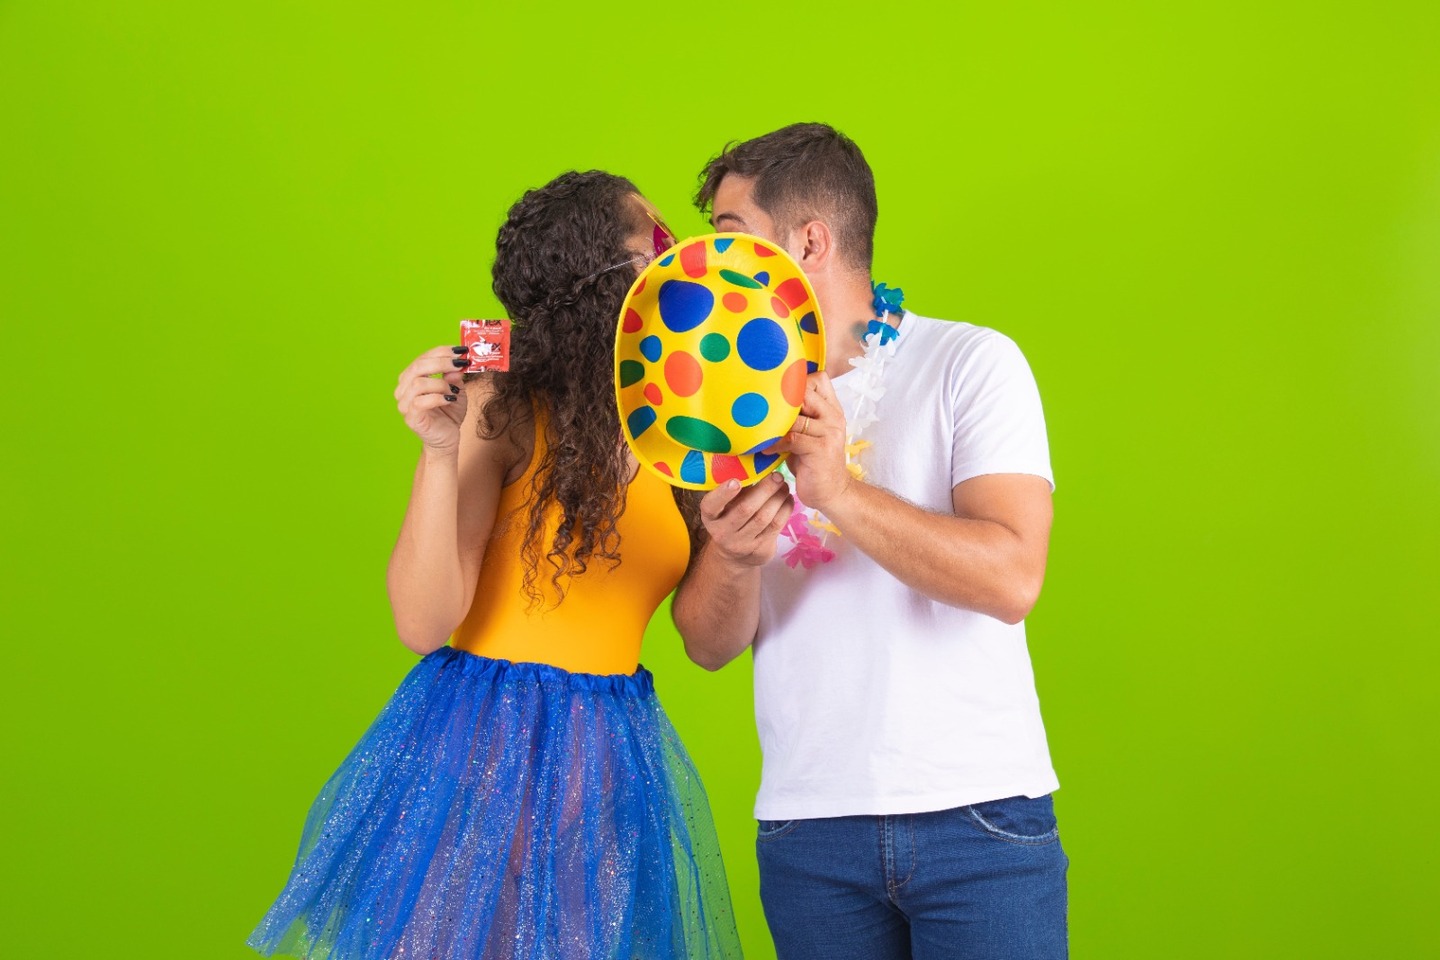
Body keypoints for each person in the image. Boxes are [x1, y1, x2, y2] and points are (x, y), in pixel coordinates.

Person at [249, 170, 743, 960]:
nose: (679, 250)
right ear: (602, 276)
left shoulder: (681, 423)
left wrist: (750, 535)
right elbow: (423, 623)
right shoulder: (503, 403)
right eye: (656, 237)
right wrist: (438, 454)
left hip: (611, 753)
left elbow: (714, 644)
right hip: (492, 740)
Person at [672, 123, 1067, 959]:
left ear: (809, 242)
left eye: (731, 236)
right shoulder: (718, 402)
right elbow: (706, 645)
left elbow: (1011, 580)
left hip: (978, 818)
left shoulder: (972, 362)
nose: (707, 264)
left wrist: (841, 495)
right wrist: (733, 558)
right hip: (808, 829)